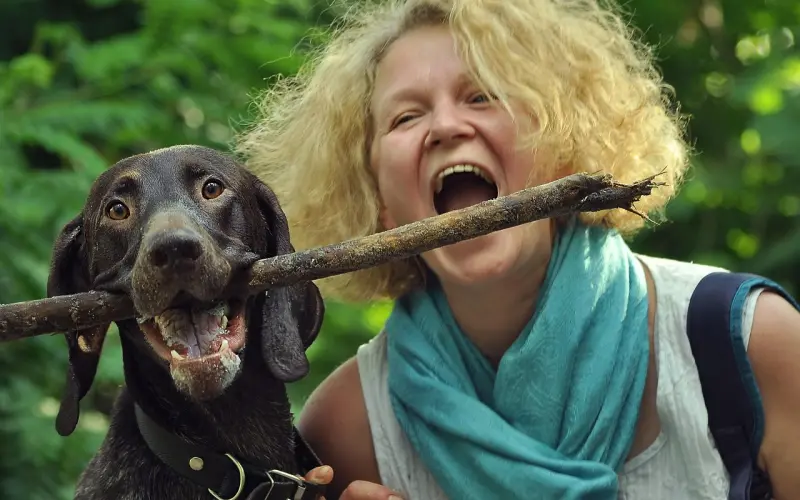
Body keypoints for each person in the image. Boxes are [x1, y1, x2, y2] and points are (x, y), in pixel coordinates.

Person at [234, 0, 800, 498]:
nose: (446, 126)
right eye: (406, 117)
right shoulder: (345, 428)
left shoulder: (749, 346)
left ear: (561, 151)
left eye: (481, 96)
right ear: (381, 207)